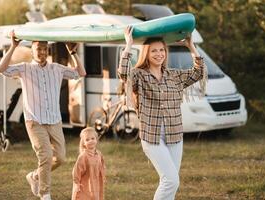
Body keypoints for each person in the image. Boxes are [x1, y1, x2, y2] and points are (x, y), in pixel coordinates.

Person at [118, 26, 206, 200]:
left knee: (171, 182)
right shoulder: (139, 75)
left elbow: (199, 73)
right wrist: (128, 45)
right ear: (146, 54)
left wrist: (190, 46)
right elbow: (123, 73)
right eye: (154, 51)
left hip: (174, 134)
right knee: (170, 180)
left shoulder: (173, 75)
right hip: (152, 136)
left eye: (162, 50)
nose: (159, 54)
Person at [0, 31, 86, 200]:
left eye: (45, 49)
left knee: (60, 158)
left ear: (48, 51)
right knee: (45, 156)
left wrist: (72, 52)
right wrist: (13, 46)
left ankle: (35, 176)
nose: (43, 52)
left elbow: (80, 73)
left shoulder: (57, 69)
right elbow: (1, 69)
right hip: (34, 120)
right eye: (39, 49)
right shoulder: (24, 68)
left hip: (54, 120)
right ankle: (45, 194)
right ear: (32, 50)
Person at [72, 127, 105, 200]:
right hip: (86, 184)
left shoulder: (99, 154)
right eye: (87, 140)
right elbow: (76, 170)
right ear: (83, 143)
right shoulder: (83, 156)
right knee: (86, 197)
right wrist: (76, 183)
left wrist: (103, 176)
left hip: (96, 182)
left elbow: (102, 165)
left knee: (96, 196)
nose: (90, 141)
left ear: (96, 139)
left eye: (92, 138)